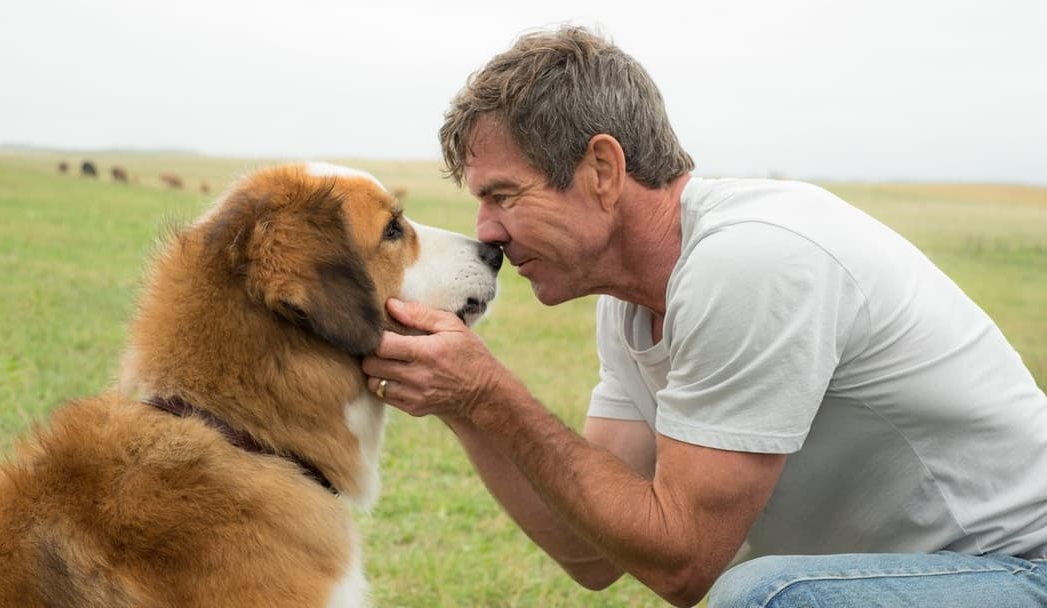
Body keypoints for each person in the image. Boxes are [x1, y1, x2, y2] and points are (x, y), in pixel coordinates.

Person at [361, 25, 1047, 607]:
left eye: (504, 195)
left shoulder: (753, 261)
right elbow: (594, 552)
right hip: (915, 580)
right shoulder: (634, 303)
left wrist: (490, 392)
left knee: (771, 598)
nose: (489, 232)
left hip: (1023, 568)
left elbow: (683, 562)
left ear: (602, 168)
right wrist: (462, 403)